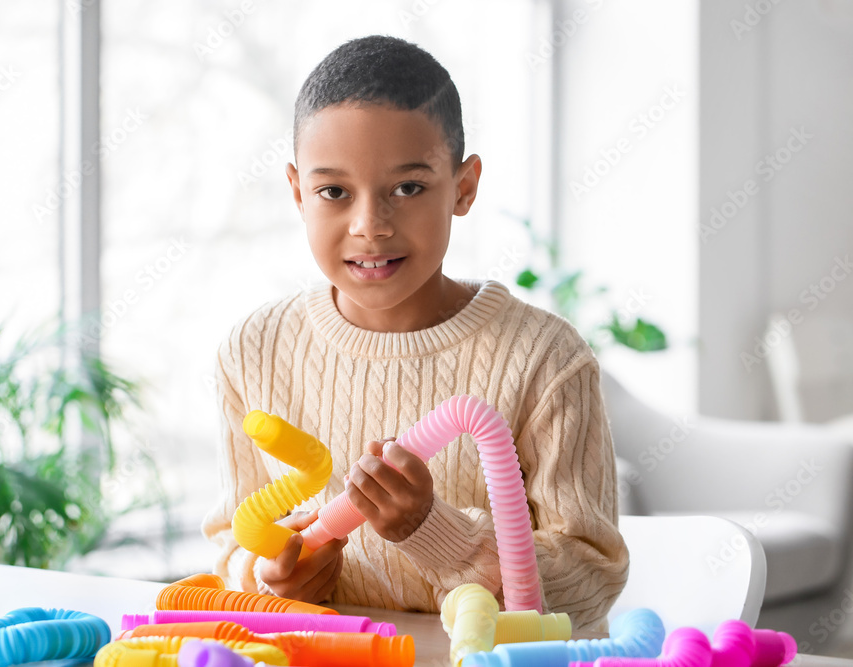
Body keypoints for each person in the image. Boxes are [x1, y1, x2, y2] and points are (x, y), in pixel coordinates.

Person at [201, 34, 628, 632]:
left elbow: (591, 583)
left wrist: (436, 533)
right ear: (298, 192)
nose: (369, 225)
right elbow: (230, 551)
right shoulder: (252, 352)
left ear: (464, 187)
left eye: (408, 187)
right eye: (333, 192)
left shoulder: (544, 360)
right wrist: (270, 579)